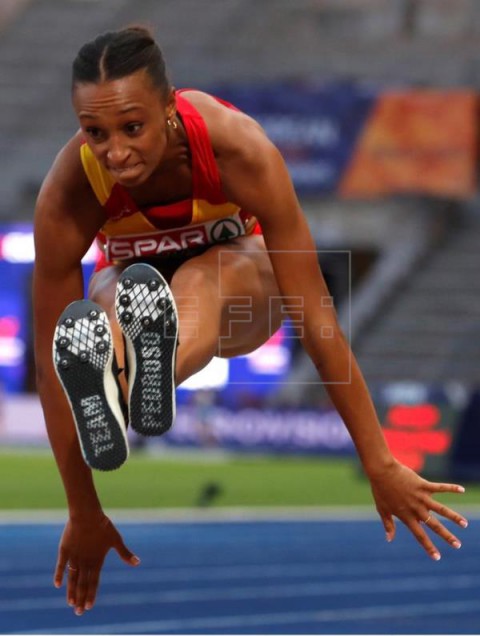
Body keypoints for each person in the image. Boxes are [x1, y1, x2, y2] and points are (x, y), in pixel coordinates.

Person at [33, 26, 468, 616]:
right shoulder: (71, 188)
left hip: (239, 289)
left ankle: (136, 368)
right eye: (95, 132)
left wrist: (379, 459)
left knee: (209, 275)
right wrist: (82, 509)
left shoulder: (238, 148)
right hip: (133, 292)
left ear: (168, 107)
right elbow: (52, 354)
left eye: (132, 128)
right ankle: (127, 381)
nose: (114, 152)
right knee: (104, 301)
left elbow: (316, 318)